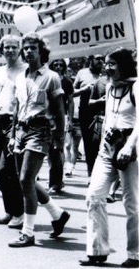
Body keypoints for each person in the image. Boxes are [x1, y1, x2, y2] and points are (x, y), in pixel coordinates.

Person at [7, 33, 70, 247]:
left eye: (33, 47)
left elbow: (60, 111)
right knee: (27, 181)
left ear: (40, 50)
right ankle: (58, 214)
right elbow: (18, 107)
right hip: (20, 131)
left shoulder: (51, 76)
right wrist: (12, 132)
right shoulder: (20, 76)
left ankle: (28, 232)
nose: (28, 51)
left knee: (25, 180)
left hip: (40, 131)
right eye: (25, 48)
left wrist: (59, 139)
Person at [79, 48, 138, 267]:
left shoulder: (135, 86)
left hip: (130, 151)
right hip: (108, 149)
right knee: (94, 195)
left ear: (123, 64)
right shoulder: (111, 86)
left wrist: (130, 145)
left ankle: (135, 254)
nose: (107, 67)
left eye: (112, 63)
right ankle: (97, 250)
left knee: (132, 203)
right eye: (105, 63)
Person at [0, 35, 26, 229]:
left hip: (16, 123)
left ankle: (19, 213)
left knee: (9, 170)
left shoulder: (26, 71)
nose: (10, 51)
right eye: (6, 48)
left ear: (19, 50)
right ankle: (9, 211)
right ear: (1, 50)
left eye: (14, 47)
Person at [74, 54, 105, 175]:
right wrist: (83, 89)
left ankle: (102, 173)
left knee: (101, 143)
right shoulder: (82, 73)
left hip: (102, 112)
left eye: (102, 59)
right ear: (91, 60)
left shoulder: (106, 73)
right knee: (88, 143)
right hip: (86, 112)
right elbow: (72, 92)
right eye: (98, 59)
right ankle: (91, 172)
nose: (100, 61)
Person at [48, 58, 74, 192]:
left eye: (60, 65)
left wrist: (69, 119)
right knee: (49, 151)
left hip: (61, 118)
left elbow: (70, 102)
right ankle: (54, 179)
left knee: (57, 149)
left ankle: (56, 182)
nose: (58, 67)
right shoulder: (47, 79)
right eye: (55, 64)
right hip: (46, 117)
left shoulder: (67, 82)